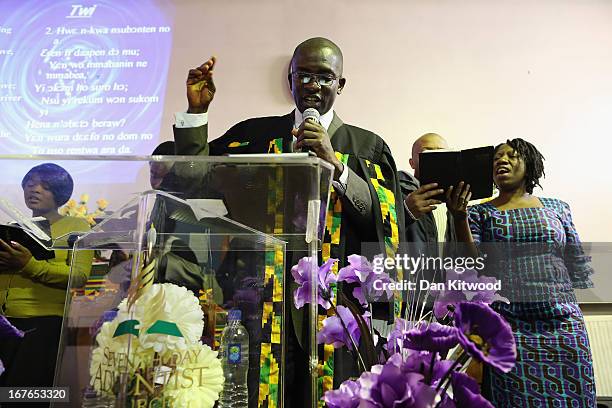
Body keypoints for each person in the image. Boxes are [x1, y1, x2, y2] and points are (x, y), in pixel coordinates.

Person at [172, 37, 404, 406]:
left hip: (335, 308)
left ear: (340, 85)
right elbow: (190, 179)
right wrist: (196, 113)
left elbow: (387, 221)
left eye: (325, 77)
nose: (313, 85)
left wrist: (338, 167)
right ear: (290, 80)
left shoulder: (366, 147)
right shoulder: (253, 136)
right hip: (260, 299)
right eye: (305, 75)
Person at [447, 138, 596, 407]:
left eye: (511, 156)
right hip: (510, 328)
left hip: (563, 325)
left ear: (529, 166)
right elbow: (475, 267)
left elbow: (577, 264)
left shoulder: (557, 207)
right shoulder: (479, 213)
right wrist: (458, 217)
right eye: (496, 159)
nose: (501, 161)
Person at [0, 163, 93, 403]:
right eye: (30, 183)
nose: (35, 189)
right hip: (4, 324)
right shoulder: (12, 229)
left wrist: (28, 265)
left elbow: (79, 275)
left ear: (60, 192)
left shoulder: (77, 227)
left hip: (42, 326)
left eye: (45, 185)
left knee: (26, 398)